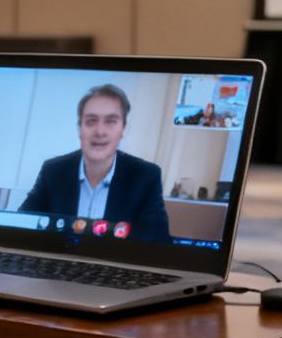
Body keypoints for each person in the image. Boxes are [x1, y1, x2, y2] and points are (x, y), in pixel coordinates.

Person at [19, 84, 172, 242]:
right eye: (91, 121)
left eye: (110, 121)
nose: (100, 131)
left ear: (123, 129)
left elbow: (158, 243)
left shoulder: (146, 176)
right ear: (80, 128)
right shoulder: (53, 171)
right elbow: (21, 225)